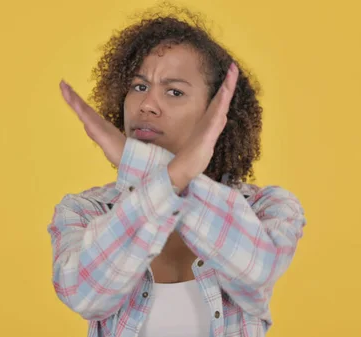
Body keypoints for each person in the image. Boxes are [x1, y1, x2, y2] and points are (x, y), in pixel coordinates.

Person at [47, 5, 307, 337]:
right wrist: (170, 176)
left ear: (216, 114)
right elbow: (85, 294)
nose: (147, 105)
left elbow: (255, 269)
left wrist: (144, 167)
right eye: (139, 86)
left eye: (174, 92)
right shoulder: (86, 211)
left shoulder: (267, 209)